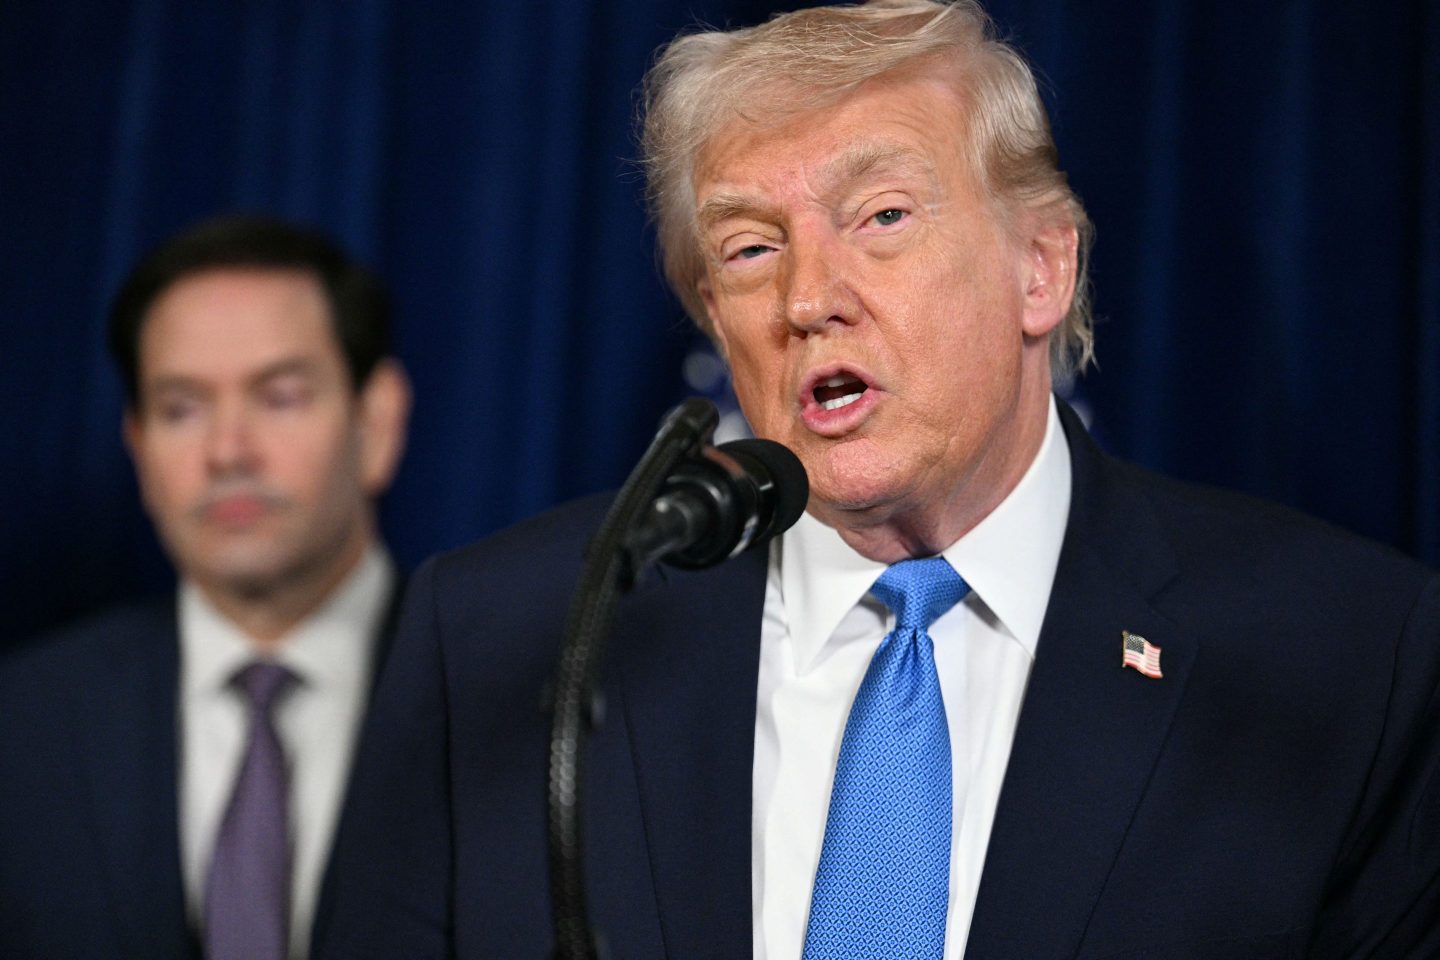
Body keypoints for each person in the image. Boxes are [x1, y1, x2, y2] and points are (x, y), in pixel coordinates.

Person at [318, 2, 1440, 958]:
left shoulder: (1345, 657)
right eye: (751, 248)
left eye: (882, 218)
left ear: (1040, 268)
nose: (809, 298)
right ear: (715, 315)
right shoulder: (507, 640)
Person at [0, 214, 412, 960]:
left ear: (376, 422)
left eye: (280, 396)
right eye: (181, 408)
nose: (227, 450)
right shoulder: (24, 725)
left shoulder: (510, 698)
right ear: (138, 446)